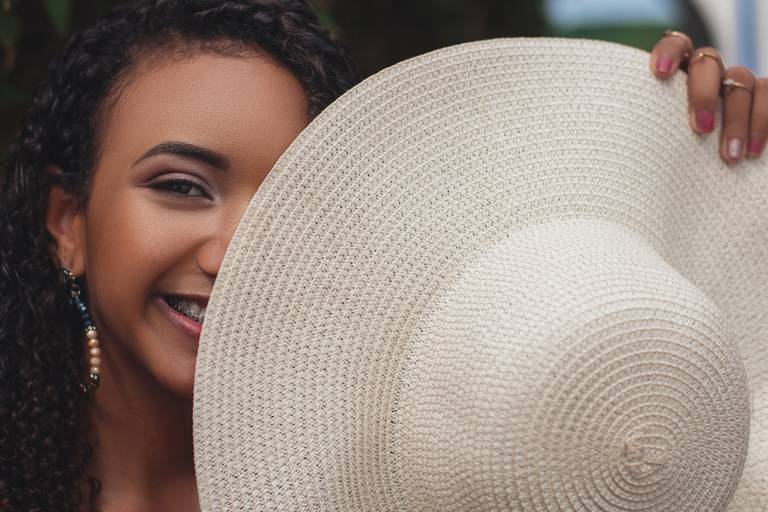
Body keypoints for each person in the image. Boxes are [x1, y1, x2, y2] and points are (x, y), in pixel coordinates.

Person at [0, 1, 763, 510]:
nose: (237, 254)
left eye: (295, 204)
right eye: (181, 187)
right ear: (68, 223)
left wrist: (720, 166)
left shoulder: (420, 474)